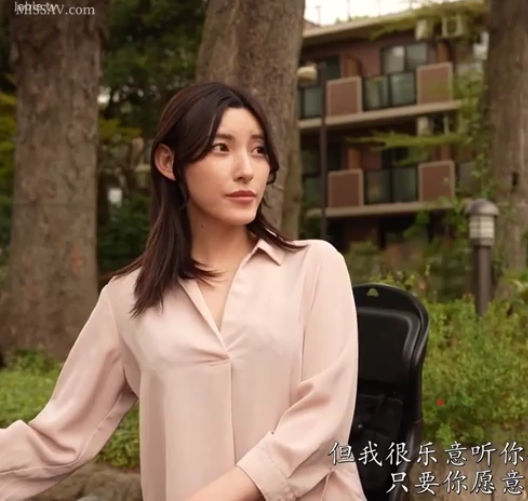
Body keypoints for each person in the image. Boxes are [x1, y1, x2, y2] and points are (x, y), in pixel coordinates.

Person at [0, 82, 366, 501]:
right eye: (221, 148)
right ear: (168, 161)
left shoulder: (316, 267)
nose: (246, 169)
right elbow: (56, 439)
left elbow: (323, 423)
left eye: (259, 150)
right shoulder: (126, 299)